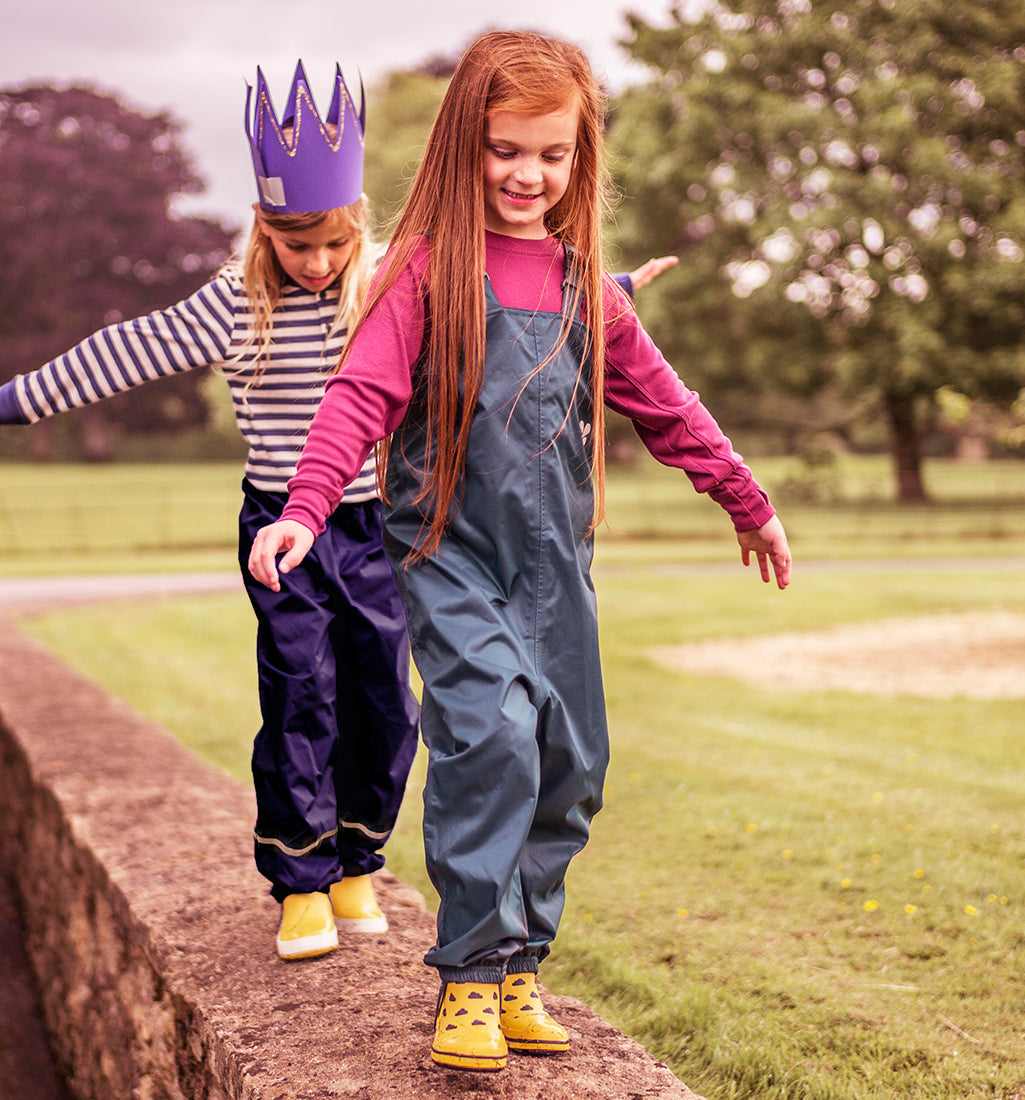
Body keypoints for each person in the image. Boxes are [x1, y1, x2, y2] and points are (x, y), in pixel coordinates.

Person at [248, 32, 792, 1071]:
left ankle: (517, 963)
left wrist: (744, 498)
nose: (527, 174)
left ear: (580, 157)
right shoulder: (421, 273)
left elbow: (666, 409)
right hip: (448, 551)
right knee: (490, 731)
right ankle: (465, 972)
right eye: (505, 149)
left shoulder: (588, 284)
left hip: (555, 569)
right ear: (465, 144)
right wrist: (304, 508)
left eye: (551, 154)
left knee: (568, 761)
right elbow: (358, 395)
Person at [0, 63, 421, 962]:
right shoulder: (236, 305)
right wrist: (7, 402)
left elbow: (493, 308)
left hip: (376, 527)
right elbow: (121, 352)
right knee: (304, 693)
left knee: (386, 703)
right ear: (265, 229)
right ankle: (302, 884)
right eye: (296, 245)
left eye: (334, 246)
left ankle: (357, 863)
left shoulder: (388, 285)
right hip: (282, 530)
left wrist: (605, 290)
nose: (316, 264)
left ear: (358, 232)